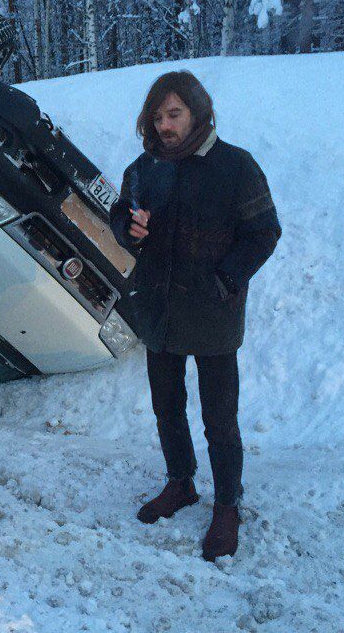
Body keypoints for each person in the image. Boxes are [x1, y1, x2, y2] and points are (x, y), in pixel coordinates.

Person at [109, 71, 281, 562]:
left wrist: (226, 280)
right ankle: (180, 483)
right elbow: (122, 216)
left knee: (219, 419)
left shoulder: (235, 166)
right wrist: (129, 229)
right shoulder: (144, 168)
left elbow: (264, 232)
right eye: (158, 116)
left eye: (174, 114)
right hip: (159, 309)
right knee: (167, 407)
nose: (165, 125)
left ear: (197, 112)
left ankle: (227, 504)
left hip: (212, 312)